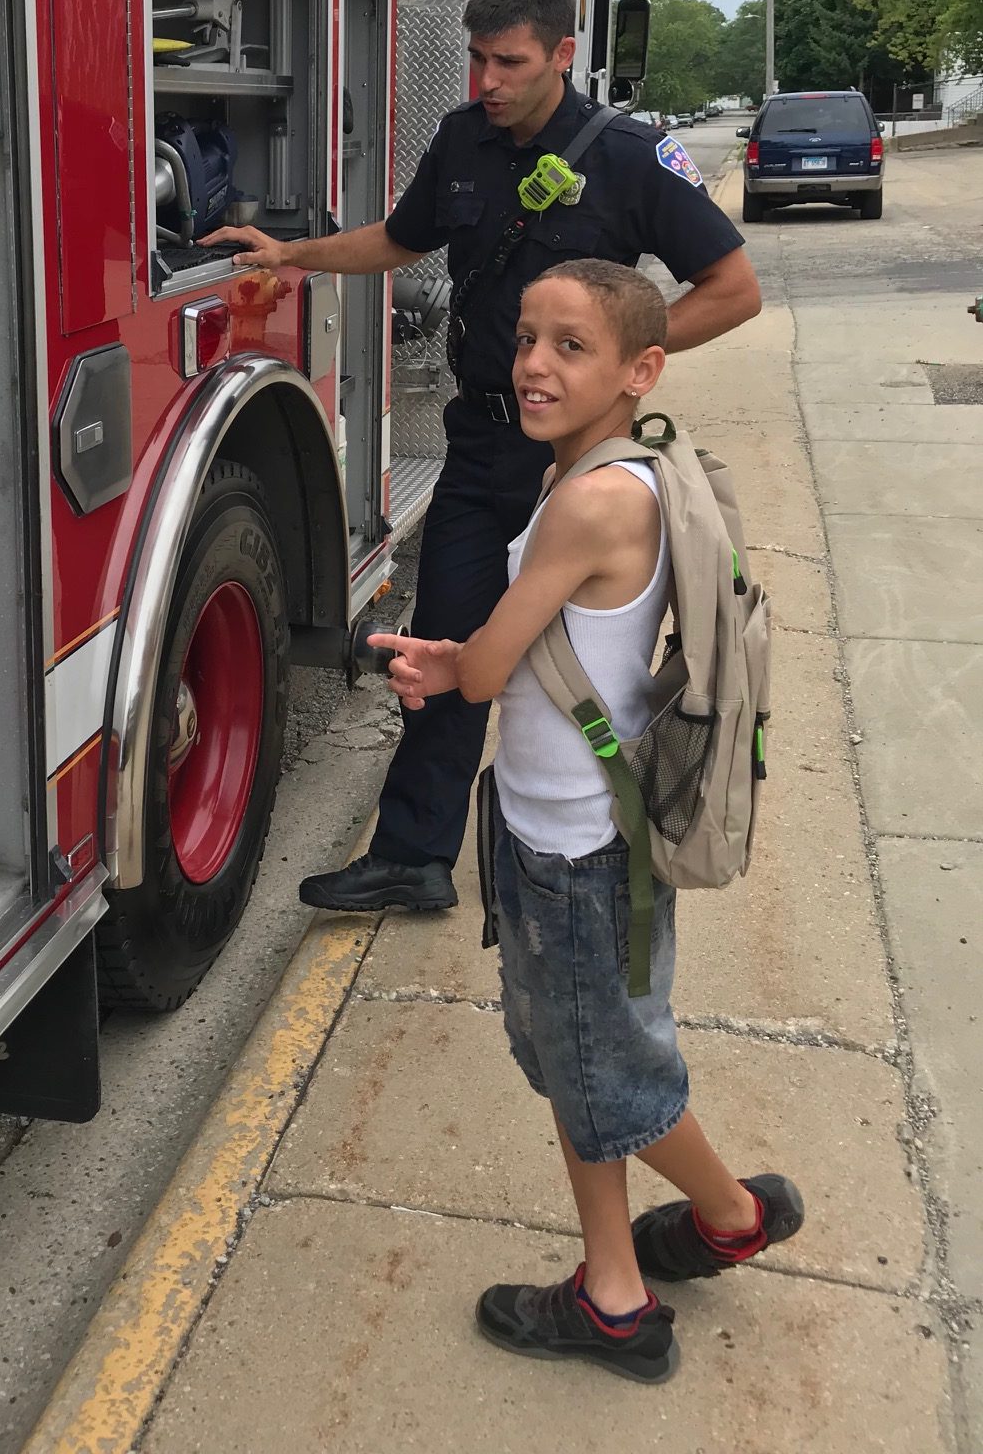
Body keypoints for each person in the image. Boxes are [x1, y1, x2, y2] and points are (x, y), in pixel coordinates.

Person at [203, 0, 761, 914]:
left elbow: (734, 289)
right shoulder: (464, 139)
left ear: (562, 55)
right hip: (479, 444)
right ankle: (416, 857)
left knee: (581, 668)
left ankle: (598, 850)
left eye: (508, 62)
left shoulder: (628, 154)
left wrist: (616, 359)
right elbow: (400, 238)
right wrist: (294, 255)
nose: (488, 83)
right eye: (476, 61)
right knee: (446, 644)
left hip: (574, 458)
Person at [368, 260, 802, 1381]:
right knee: (582, 1062)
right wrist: (463, 663)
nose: (532, 365)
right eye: (525, 338)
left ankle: (724, 1220)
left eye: (570, 346)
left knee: (611, 1077)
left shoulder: (587, 500)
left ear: (638, 369)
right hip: (571, 831)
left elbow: (487, 675)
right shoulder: (639, 467)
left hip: (574, 849)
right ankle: (615, 1277)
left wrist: (441, 667)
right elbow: (525, 660)